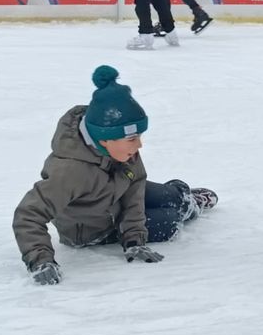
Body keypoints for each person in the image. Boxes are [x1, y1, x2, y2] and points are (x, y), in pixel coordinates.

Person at [12, 65, 218, 285]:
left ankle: (185, 199)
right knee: (168, 221)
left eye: (139, 136)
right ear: (104, 139)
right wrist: (40, 260)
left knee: (169, 196)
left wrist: (134, 238)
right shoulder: (70, 172)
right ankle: (185, 208)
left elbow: (136, 187)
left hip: (116, 194)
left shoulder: (124, 151)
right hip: (96, 229)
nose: (139, 144)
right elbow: (28, 214)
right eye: (132, 139)